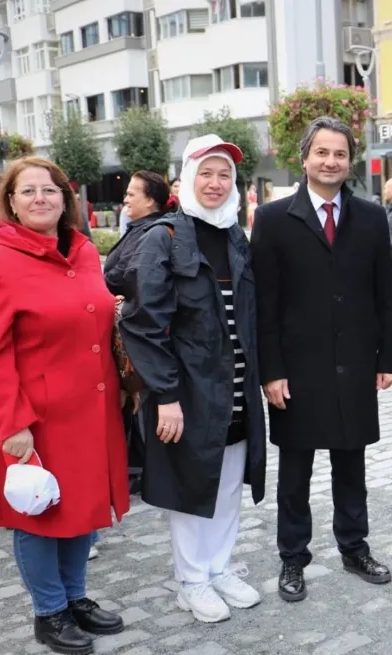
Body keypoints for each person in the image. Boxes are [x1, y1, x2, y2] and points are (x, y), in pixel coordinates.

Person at [0, 157, 129, 654]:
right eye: (27, 191)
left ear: (65, 198)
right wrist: (12, 424)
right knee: (40, 512)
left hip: (90, 411)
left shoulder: (82, 252)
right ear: (10, 202)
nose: (40, 198)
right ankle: (49, 612)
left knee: (83, 509)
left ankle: (75, 597)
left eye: (49, 190)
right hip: (36, 418)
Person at [251, 117, 392, 603]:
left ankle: (355, 548)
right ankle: (293, 558)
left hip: (355, 363)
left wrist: (389, 357)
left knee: (350, 464)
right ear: (305, 157)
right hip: (296, 370)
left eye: (339, 154)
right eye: (322, 153)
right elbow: (265, 305)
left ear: (349, 160)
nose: (330, 162)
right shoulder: (273, 220)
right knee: (295, 471)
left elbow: (386, 295)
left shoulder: (372, 217)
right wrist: (270, 370)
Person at [119, 135, 267, 624]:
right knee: (189, 485)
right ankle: (191, 580)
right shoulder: (164, 238)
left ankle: (220, 568)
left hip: (237, 387)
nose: (216, 183)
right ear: (186, 178)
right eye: (207, 172)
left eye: (224, 175)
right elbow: (141, 321)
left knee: (226, 485)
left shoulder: (235, 237)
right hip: (188, 391)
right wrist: (166, 395)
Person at [104, 171, 177, 497]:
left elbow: (132, 280)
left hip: (140, 338)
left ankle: (141, 472)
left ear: (150, 200)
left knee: (140, 406)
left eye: (132, 194)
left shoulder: (154, 233)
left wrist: (120, 296)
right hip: (131, 336)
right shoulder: (141, 229)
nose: (126, 199)